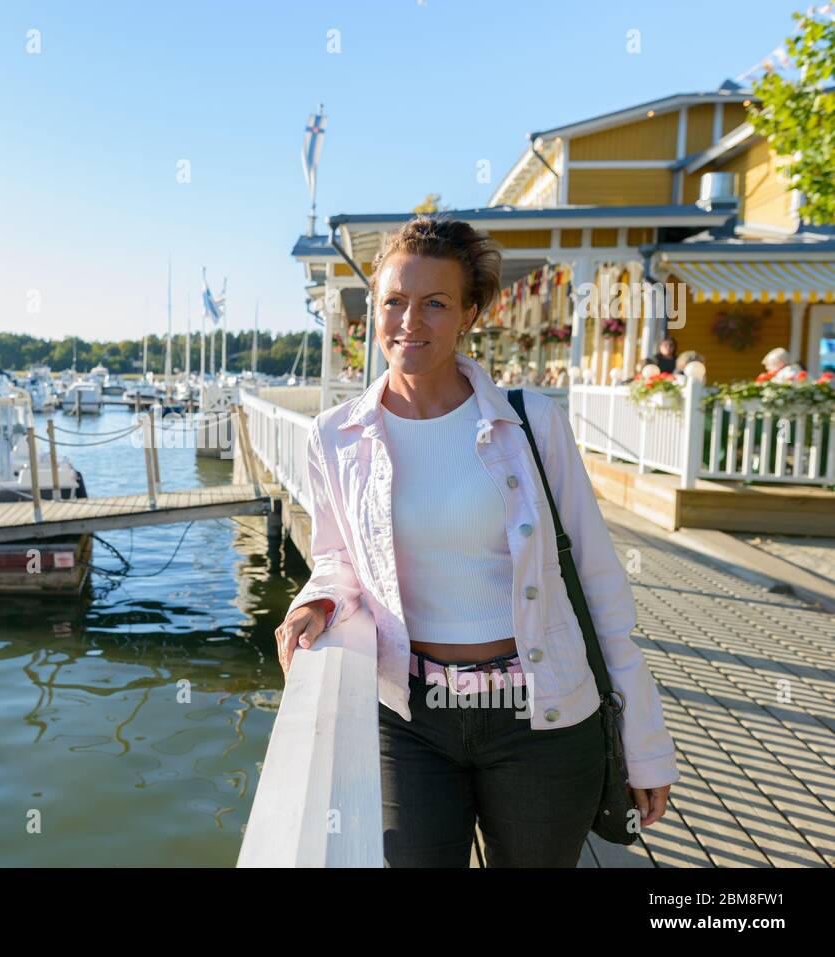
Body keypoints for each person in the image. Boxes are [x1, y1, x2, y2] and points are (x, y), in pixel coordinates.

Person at [274, 216, 678, 867]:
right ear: (373, 311)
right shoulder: (333, 436)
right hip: (410, 716)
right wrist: (317, 601)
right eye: (395, 302)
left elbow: (601, 582)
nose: (410, 321)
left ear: (468, 314)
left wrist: (646, 738)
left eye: (435, 303)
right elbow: (337, 556)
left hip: (540, 715)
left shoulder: (532, 422)